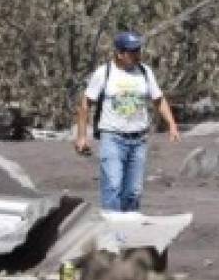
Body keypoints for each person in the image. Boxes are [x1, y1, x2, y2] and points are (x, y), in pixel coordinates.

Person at [75, 31, 180, 211]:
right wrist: (82, 136)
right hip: (113, 137)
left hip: (138, 139)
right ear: (119, 53)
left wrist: (172, 124)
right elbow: (86, 104)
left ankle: (129, 228)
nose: (137, 55)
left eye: (138, 50)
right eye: (132, 52)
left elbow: (158, 99)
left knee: (133, 191)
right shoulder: (104, 73)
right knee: (113, 186)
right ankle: (112, 231)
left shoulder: (145, 72)